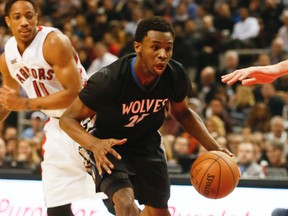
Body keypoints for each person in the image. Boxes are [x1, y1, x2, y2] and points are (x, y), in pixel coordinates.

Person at [59, 16, 233, 216]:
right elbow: (68, 119)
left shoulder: (175, 75)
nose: (163, 54)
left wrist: (215, 148)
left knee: (159, 212)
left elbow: (183, 114)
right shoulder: (109, 79)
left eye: (168, 48)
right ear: (138, 47)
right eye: (155, 47)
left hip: (146, 143)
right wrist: (94, 144)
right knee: (124, 203)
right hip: (109, 144)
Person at [0, 1, 96, 215]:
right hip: (57, 127)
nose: (24, 22)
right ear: (8, 21)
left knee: (114, 200)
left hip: (89, 120)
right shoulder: (7, 58)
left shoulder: (54, 42)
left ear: (37, 16)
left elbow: (74, 93)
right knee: (57, 207)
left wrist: (25, 104)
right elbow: (8, 100)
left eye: (29, 15)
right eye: (17, 17)